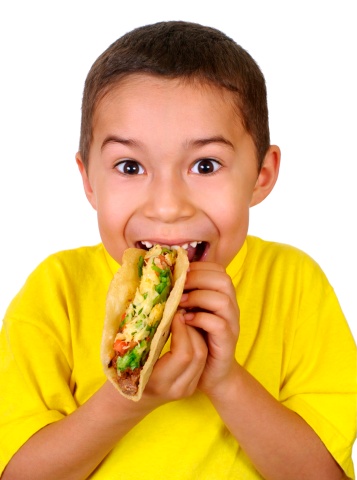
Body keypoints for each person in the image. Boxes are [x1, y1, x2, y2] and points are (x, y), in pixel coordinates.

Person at [0, 20, 355, 480]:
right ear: (89, 180)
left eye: (205, 165)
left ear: (262, 175)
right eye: (130, 166)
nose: (167, 207)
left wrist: (227, 381)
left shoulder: (295, 284)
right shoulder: (56, 291)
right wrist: (131, 395)